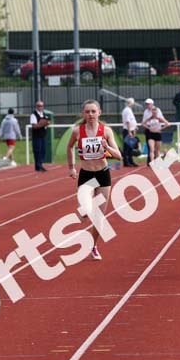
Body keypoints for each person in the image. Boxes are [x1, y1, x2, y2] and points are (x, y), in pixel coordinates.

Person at [67, 99, 122, 261]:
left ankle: (93, 246)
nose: (90, 114)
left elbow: (118, 156)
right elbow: (69, 147)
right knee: (85, 212)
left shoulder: (107, 131)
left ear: (99, 113)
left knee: (99, 216)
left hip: (103, 174)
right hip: (86, 175)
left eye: (93, 111)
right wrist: (71, 167)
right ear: (83, 114)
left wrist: (107, 148)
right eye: (87, 112)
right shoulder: (78, 131)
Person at [142, 98, 170, 165]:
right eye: (147, 104)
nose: (147, 105)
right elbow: (143, 123)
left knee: (157, 150)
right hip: (150, 133)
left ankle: (157, 162)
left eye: (148, 104)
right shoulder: (147, 113)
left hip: (157, 133)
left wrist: (161, 128)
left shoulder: (158, 115)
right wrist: (149, 128)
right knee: (151, 149)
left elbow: (167, 123)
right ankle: (152, 162)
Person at [30, 100, 50, 172]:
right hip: (36, 136)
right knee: (37, 150)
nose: (40, 107)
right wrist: (42, 124)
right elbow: (34, 126)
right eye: (38, 106)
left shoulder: (44, 114)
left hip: (43, 135)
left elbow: (47, 122)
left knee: (43, 150)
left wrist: (46, 123)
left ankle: (40, 164)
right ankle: (38, 166)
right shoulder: (33, 114)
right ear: (36, 106)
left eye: (41, 106)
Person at [121, 98, 139, 167]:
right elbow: (128, 121)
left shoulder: (128, 110)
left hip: (131, 130)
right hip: (128, 131)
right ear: (130, 103)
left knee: (131, 147)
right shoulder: (127, 110)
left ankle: (131, 161)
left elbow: (131, 120)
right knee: (127, 148)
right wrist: (129, 132)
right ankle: (126, 162)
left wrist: (135, 127)